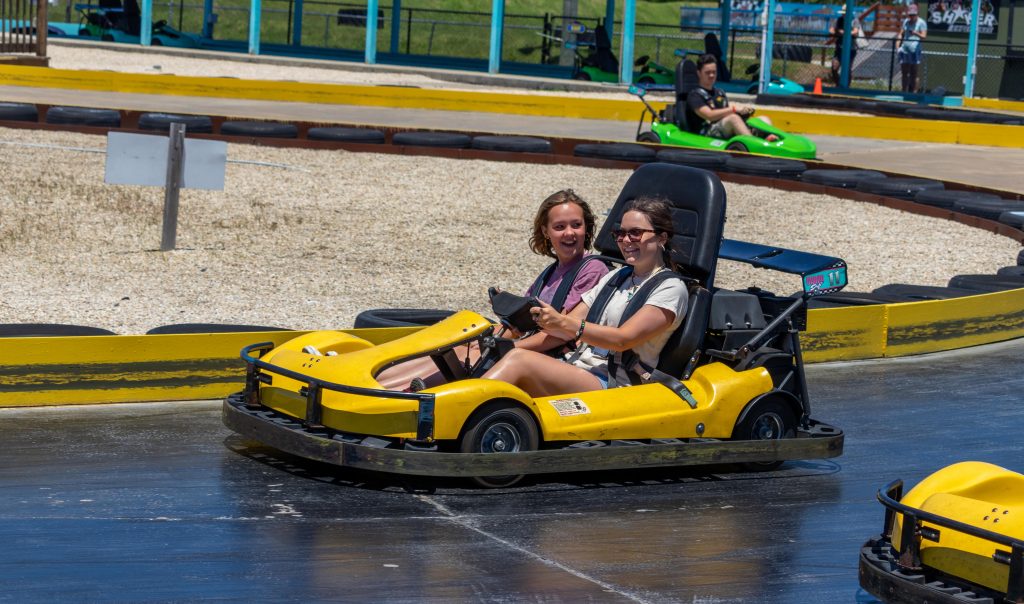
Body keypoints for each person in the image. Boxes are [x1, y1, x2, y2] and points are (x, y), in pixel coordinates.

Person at [376, 189, 609, 390]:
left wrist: (505, 347)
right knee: (460, 348)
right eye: (560, 227)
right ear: (546, 232)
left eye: (576, 225)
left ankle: (411, 393)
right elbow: (520, 325)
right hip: (536, 349)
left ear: (586, 229)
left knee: (477, 353)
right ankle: (383, 384)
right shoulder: (549, 273)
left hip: (559, 358)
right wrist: (493, 336)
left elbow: (561, 333)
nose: (569, 233)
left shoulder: (592, 269)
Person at [482, 197, 689, 398]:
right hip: (578, 367)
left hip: (617, 384)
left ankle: (461, 413)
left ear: (662, 237)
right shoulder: (616, 276)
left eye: (635, 233)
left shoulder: (671, 288)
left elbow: (622, 340)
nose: (625, 240)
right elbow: (565, 327)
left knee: (519, 360)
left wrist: (565, 323)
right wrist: (525, 316)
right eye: (621, 233)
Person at [685, 54, 778, 142]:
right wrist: (733, 109)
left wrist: (742, 111)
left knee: (763, 119)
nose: (711, 75)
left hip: (723, 127)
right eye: (707, 73)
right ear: (699, 73)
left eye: (714, 72)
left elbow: (725, 111)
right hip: (706, 133)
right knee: (733, 118)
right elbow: (709, 115)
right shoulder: (695, 95)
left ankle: (773, 142)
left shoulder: (719, 92)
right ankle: (752, 145)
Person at [898, 3, 928, 93]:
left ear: (917, 14)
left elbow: (924, 36)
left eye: (913, 15)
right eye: (910, 15)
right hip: (904, 49)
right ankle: (904, 91)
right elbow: (901, 33)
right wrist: (898, 46)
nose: (911, 17)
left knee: (914, 73)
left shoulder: (921, 22)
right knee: (904, 72)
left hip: (915, 50)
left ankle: (913, 92)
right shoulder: (906, 21)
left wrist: (915, 33)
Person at [829, 7, 862, 86]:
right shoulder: (839, 20)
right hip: (839, 48)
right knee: (834, 67)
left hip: (851, 49)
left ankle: (847, 86)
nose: (843, 14)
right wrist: (838, 31)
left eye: (845, 13)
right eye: (843, 13)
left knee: (847, 68)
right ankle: (838, 84)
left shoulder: (854, 20)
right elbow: (831, 30)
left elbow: (855, 32)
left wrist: (844, 32)